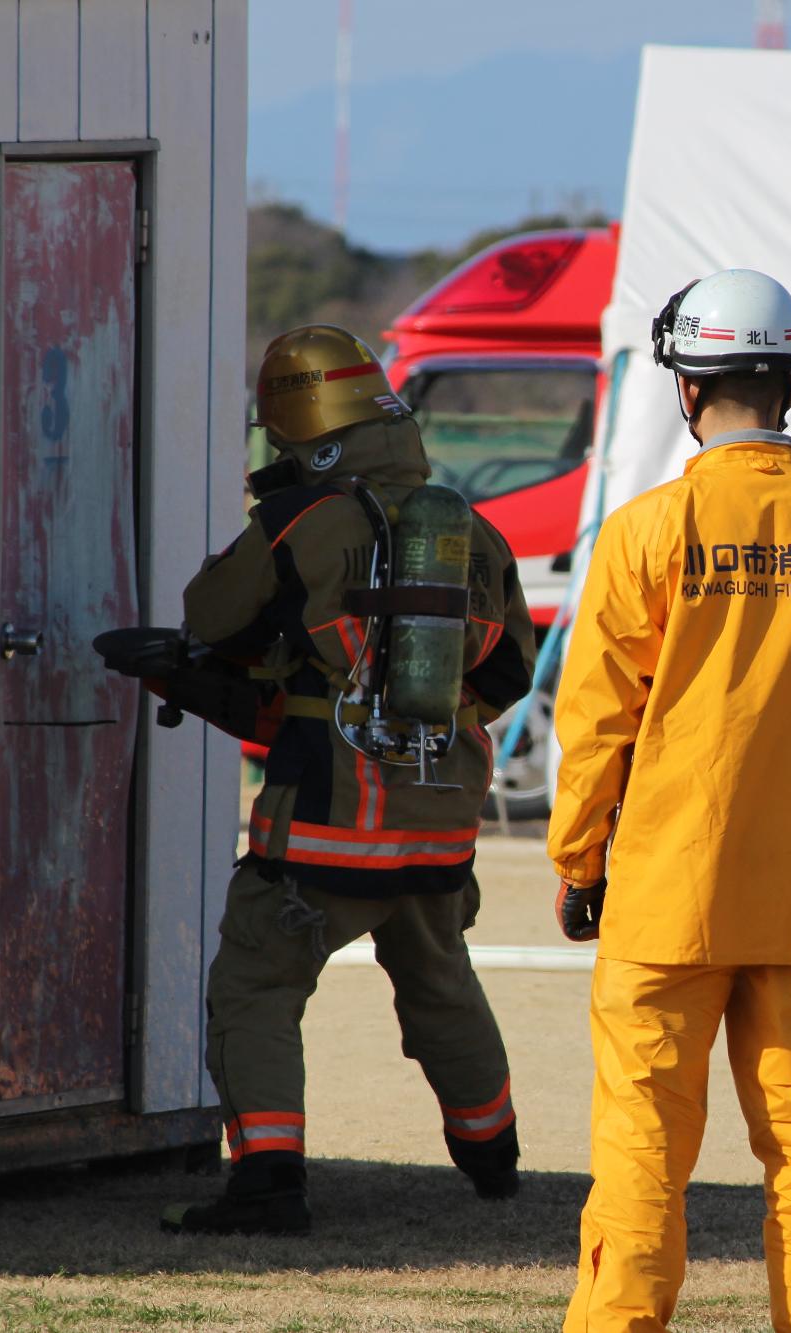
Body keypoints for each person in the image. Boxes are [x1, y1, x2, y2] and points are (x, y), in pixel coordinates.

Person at [548, 269, 791, 1333]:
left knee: (642, 1146)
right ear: (788, 387)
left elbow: (595, 724)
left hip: (667, 892)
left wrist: (579, 860)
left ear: (685, 386)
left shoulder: (644, 532)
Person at [162, 325, 536, 1235]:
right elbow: (510, 674)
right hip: (438, 823)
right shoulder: (473, 532)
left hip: (325, 824)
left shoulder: (304, 521)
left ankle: (267, 1181)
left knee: (257, 981)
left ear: (303, 439)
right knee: (440, 979)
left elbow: (211, 614)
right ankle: (493, 1157)